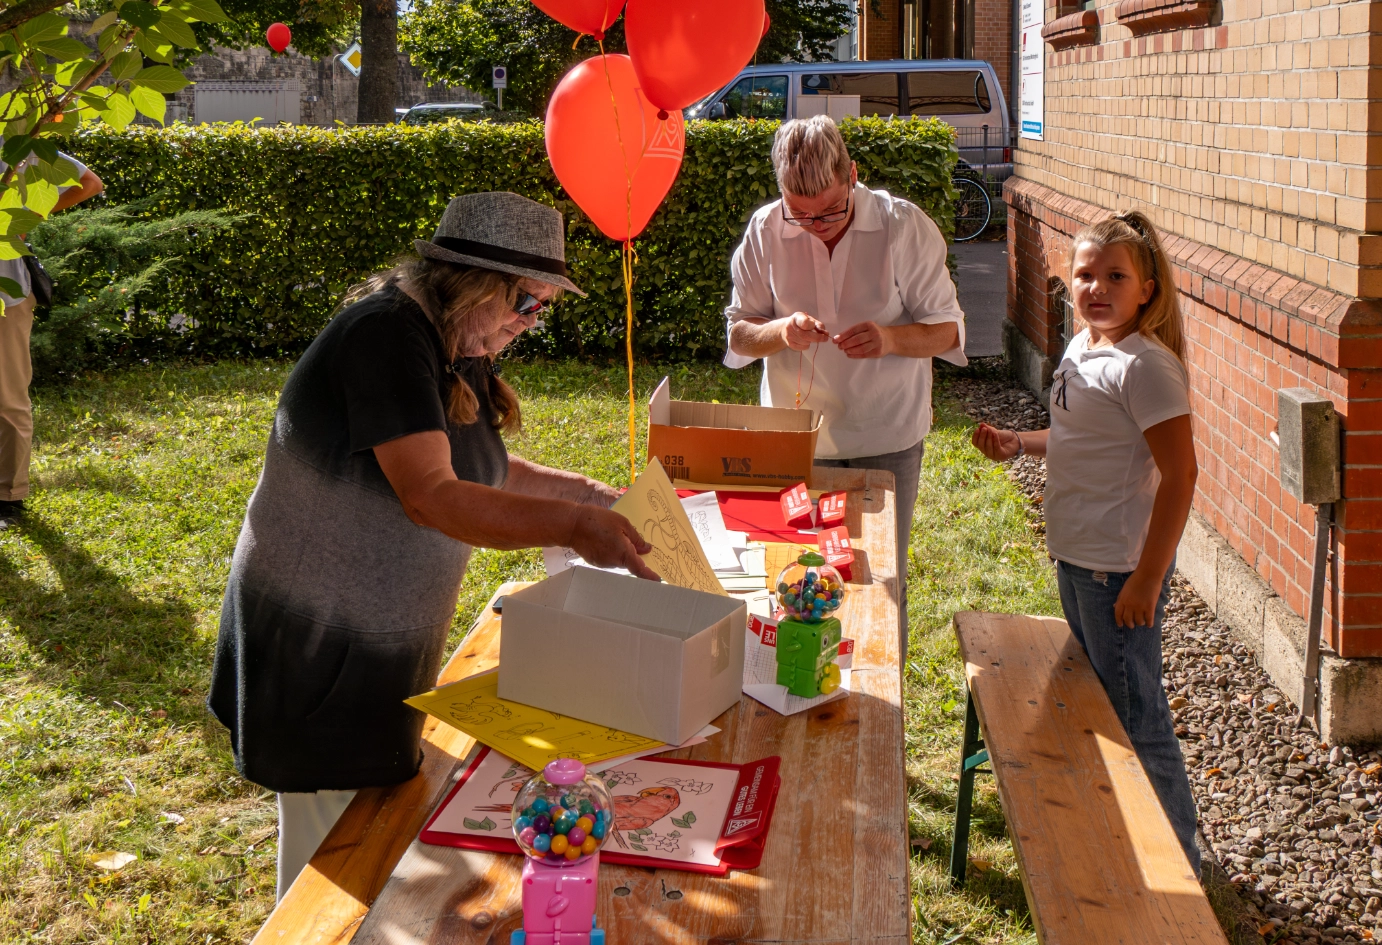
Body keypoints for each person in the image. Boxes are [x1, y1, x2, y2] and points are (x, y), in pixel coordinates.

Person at [206, 192, 659, 899]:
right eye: (526, 301)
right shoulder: (385, 335)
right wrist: (572, 529)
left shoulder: (453, 335)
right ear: (476, 282)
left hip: (373, 641)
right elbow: (431, 494)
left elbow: (481, 467)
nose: (529, 322)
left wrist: (587, 496)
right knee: (330, 872)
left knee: (372, 840)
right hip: (317, 646)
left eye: (542, 306)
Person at [969, 211, 1202, 872]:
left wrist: (1148, 578)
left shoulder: (1146, 366)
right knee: (1101, 704)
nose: (1097, 287)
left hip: (1115, 574)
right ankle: (1123, 838)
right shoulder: (1084, 346)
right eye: (1085, 274)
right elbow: (1073, 439)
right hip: (1076, 558)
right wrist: (1018, 443)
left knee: (1138, 720)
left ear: (1147, 288)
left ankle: (1178, 865)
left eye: (1115, 276)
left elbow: (1182, 475)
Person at [723, 115, 966, 652]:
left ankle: (879, 696)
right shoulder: (767, 229)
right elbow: (739, 335)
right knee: (801, 572)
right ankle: (806, 683)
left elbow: (948, 329)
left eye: (831, 209)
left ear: (853, 174)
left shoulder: (901, 226)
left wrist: (890, 339)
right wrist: (781, 331)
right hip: (800, 437)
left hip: (887, 435)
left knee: (878, 578)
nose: (817, 224)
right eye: (801, 214)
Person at [0, 153, 104, 528]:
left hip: (6, 296)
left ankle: (8, 498)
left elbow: (89, 182)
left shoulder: (17, 146)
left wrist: (24, 223)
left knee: (8, 398)